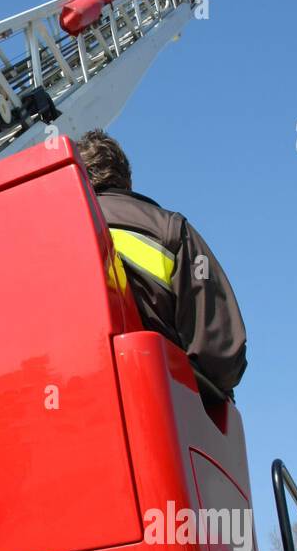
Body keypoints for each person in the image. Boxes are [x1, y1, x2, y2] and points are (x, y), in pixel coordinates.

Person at [75, 129, 247, 397]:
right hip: (164, 406)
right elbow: (222, 356)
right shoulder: (170, 231)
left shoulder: (53, 237)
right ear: (126, 179)